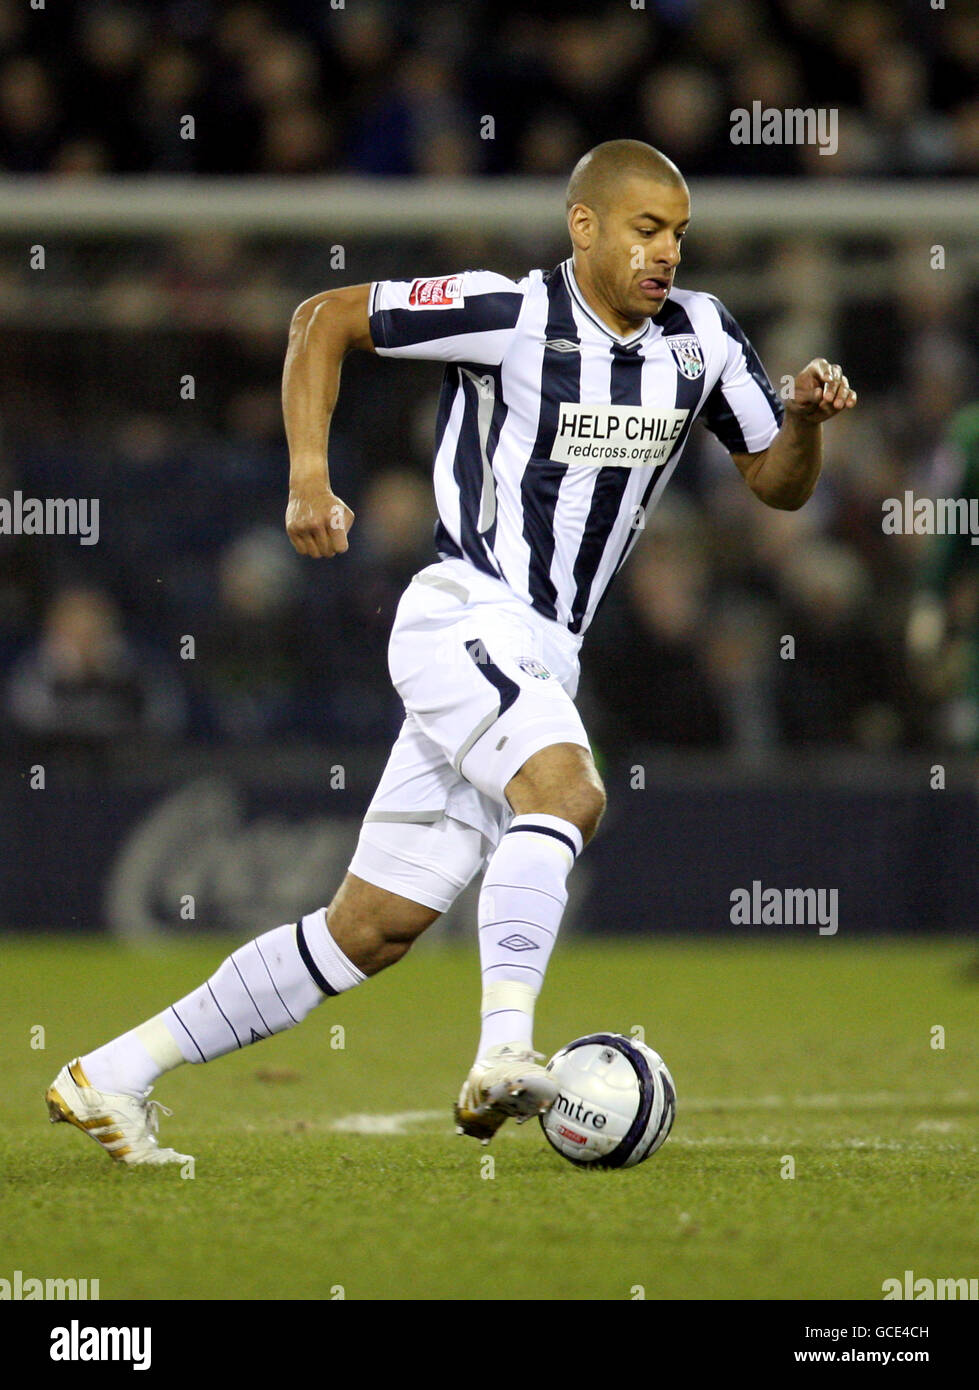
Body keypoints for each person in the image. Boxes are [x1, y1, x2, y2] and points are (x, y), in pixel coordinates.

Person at [46, 139, 857, 1165]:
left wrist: (803, 422)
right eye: (647, 229)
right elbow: (322, 319)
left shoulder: (699, 336)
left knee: (373, 925)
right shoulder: (509, 313)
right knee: (567, 794)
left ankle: (111, 1073)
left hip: (544, 650)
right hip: (464, 613)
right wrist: (308, 474)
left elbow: (773, 483)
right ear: (585, 226)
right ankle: (504, 1050)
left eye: (679, 234)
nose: (667, 253)